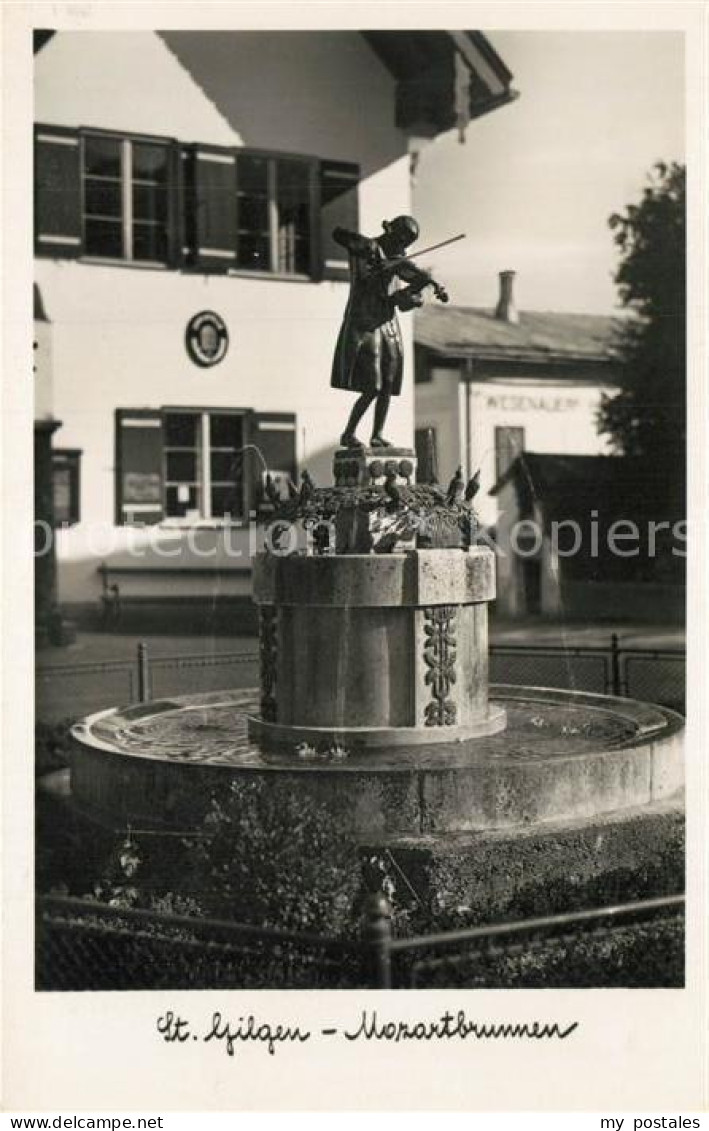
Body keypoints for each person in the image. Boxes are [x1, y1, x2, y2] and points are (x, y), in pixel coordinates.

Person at [331, 215, 425, 449]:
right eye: (401, 240)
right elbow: (338, 234)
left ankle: (377, 434)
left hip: (387, 324)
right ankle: (348, 433)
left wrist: (412, 295)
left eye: (406, 244)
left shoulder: (397, 261)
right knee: (372, 385)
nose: (402, 247)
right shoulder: (368, 249)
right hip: (365, 323)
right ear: (391, 232)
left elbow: (402, 298)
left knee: (388, 383)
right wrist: (376, 259)